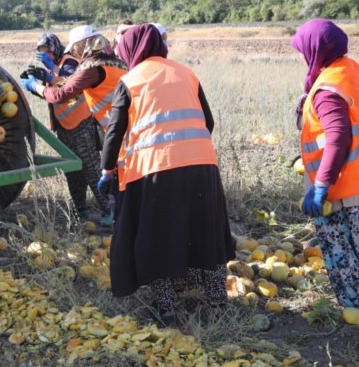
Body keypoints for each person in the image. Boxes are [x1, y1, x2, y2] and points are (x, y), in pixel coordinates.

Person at [99, 23, 234, 325]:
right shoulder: (186, 73)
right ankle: (216, 303)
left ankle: (168, 310)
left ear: (131, 50)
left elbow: (114, 131)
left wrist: (108, 169)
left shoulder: (131, 80)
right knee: (204, 230)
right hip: (202, 167)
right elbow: (207, 122)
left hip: (155, 171)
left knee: (159, 237)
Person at [21, 26, 127, 224]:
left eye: (49, 51)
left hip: (84, 123)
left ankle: (109, 211)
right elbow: (68, 83)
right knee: (74, 170)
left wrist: (37, 85)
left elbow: (64, 92)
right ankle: (80, 210)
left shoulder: (88, 65)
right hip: (82, 125)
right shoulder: (110, 62)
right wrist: (48, 77)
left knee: (91, 167)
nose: (47, 55)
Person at [291, 19, 359, 308]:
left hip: (344, 189)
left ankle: (354, 309)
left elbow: (339, 137)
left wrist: (320, 185)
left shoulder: (328, 89)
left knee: (343, 252)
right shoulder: (349, 70)